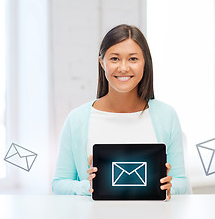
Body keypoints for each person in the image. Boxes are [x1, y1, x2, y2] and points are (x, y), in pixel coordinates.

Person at [52, 24, 189, 200]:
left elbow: (181, 181)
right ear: (102, 62)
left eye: (133, 59)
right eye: (115, 59)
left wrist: (168, 186)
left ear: (145, 63)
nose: (123, 68)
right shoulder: (77, 119)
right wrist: (92, 186)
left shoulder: (166, 115)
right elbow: (59, 183)